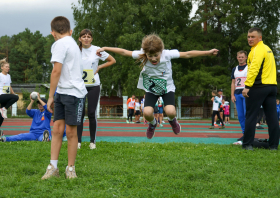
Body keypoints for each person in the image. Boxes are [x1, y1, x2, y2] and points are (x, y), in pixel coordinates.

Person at [96, 33, 219, 139]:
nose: (153, 59)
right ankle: (153, 124)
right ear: (146, 53)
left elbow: (187, 54)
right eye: (150, 56)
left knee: (170, 111)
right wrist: (106, 48)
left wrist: (207, 52)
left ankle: (172, 121)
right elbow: (124, 52)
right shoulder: (142, 54)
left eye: (156, 55)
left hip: (167, 88)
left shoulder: (168, 54)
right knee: (147, 113)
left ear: (161, 51)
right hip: (152, 89)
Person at [42, 16, 87, 180]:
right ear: (71, 31)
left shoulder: (60, 44)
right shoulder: (73, 43)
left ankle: (70, 169)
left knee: (70, 132)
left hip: (74, 94)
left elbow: (56, 71)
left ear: (52, 33)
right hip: (62, 92)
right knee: (57, 130)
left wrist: (49, 96)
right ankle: (53, 167)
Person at [77, 29, 116, 150]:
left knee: (91, 112)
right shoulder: (76, 50)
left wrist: (99, 67)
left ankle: (92, 141)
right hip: (80, 85)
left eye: (89, 36)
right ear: (80, 39)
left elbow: (112, 60)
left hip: (94, 85)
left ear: (92, 39)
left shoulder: (97, 50)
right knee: (80, 113)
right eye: (84, 36)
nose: (86, 38)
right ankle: (78, 141)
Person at [242, 27, 279, 150]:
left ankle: (247, 144)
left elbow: (254, 69)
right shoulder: (268, 49)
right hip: (272, 87)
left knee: (251, 115)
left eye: (253, 37)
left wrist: (247, 86)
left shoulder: (257, 50)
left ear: (260, 38)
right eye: (248, 36)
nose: (250, 39)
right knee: (272, 117)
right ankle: (273, 145)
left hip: (259, 87)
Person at [231, 50, 248, 142]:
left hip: (246, 94)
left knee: (247, 114)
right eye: (239, 57)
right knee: (240, 116)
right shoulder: (235, 69)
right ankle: (244, 133)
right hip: (237, 94)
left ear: (245, 57)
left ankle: (249, 134)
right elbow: (233, 83)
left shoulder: (249, 67)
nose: (240, 58)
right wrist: (232, 94)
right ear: (237, 58)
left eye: (242, 57)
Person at [0, 58, 19, 125]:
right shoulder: (0, 75)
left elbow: (9, 86)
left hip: (6, 96)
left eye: (8, 67)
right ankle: (4, 109)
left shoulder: (8, 76)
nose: (8, 68)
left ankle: (3, 109)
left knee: (1, 117)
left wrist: (13, 93)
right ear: (2, 67)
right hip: (1, 96)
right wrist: (14, 96)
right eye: (6, 67)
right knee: (16, 97)